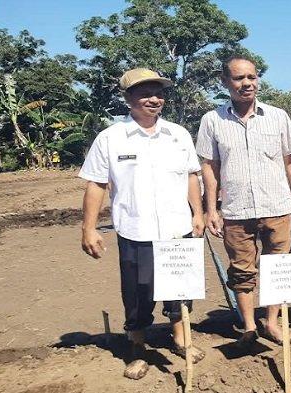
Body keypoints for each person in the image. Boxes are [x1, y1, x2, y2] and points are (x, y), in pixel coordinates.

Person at [80, 68, 206, 379]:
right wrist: (89, 228)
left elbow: (191, 175)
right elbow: (96, 184)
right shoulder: (110, 138)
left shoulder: (178, 134)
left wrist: (198, 213)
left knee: (180, 288)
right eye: (145, 93)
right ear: (127, 98)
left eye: (159, 93)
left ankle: (181, 339)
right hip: (136, 231)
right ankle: (137, 348)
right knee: (137, 292)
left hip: (179, 228)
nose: (154, 99)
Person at [196, 56, 291, 349]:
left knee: (277, 267)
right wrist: (211, 209)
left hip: (278, 207)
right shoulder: (212, 120)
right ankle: (248, 326)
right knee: (242, 269)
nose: (246, 83)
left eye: (252, 77)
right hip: (236, 209)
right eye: (238, 78)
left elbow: (290, 161)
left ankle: (272, 321)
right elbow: (210, 167)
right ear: (225, 83)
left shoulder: (277, 116)